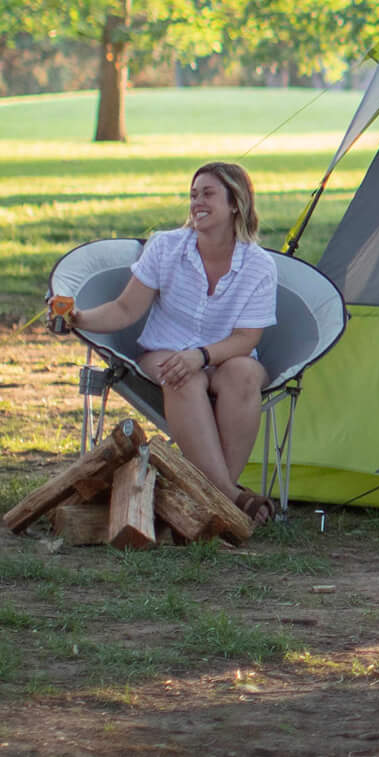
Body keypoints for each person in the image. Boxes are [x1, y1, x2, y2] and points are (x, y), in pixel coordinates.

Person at [53, 162, 281, 524]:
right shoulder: (166, 247)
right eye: (193, 195)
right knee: (179, 372)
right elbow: (125, 309)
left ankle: (217, 494)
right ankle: (230, 497)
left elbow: (247, 338)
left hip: (226, 356)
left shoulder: (259, 265)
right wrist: (79, 318)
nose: (196, 203)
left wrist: (202, 355)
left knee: (245, 374)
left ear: (235, 203)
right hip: (165, 353)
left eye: (207, 194)